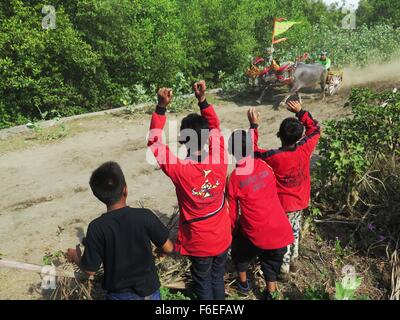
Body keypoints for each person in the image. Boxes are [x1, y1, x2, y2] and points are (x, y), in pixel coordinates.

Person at [147, 81, 231, 300]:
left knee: (203, 282)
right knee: (217, 277)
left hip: (199, 242)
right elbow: (215, 127)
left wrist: (161, 108)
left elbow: (155, 143)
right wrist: (202, 100)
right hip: (222, 236)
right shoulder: (220, 158)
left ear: (184, 140)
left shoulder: (180, 170)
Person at [66, 161, 174, 300]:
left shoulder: (97, 227)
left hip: (120, 295)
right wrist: (161, 252)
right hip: (150, 291)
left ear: (98, 196)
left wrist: (75, 257)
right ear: (125, 190)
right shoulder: (145, 216)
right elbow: (169, 247)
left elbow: (90, 270)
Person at [251, 101, 321, 277]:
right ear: (299, 136)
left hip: (283, 204)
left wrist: (254, 126)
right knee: (295, 228)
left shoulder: (274, 156)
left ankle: (284, 268)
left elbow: (253, 150)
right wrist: (300, 112)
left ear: (279, 135)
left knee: (284, 236)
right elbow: (315, 129)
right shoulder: (305, 148)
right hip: (301, 200)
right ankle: (294, 258)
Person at [227, 119, 294, 300]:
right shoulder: (266, 166)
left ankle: (243, 285)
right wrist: (254, 126)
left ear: (232, 152)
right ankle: (271, 292)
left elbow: (232, 214)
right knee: (271, 261)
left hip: (256, 234)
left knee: (240, 253)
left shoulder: (234, 178)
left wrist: (232, 233)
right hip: (280, 230)